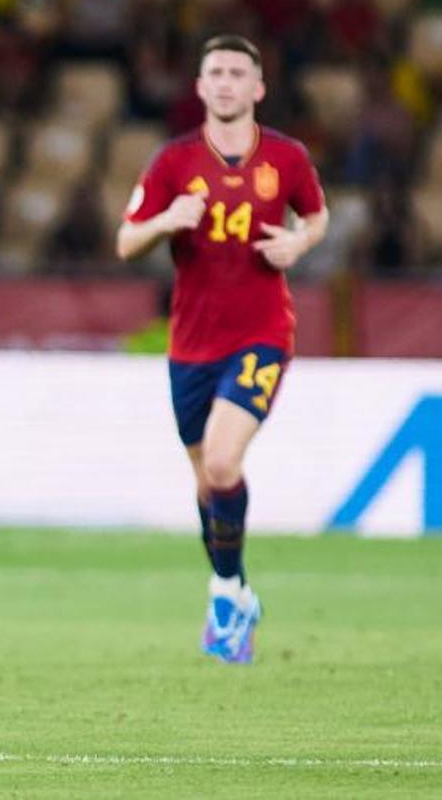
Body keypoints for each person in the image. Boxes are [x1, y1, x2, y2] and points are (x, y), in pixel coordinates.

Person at [115, 35, 329, 664]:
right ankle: (235, 592)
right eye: (216, 72)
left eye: (239, 72)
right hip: (191, 344)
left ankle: (224, 592)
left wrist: (300, 244)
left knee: (222, 465)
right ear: (201, 87)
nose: (228, 82)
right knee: (207, 485)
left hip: (262, 334)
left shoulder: (286, 158)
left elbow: (317, 216)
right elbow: (126, 242)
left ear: (258, 87)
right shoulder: (174, 162)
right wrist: (165, 221)